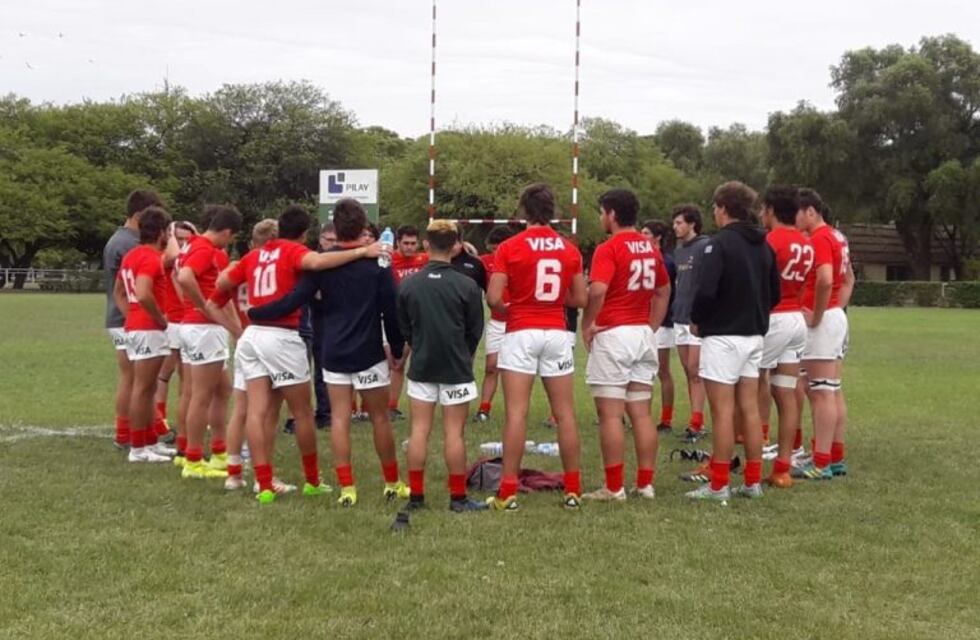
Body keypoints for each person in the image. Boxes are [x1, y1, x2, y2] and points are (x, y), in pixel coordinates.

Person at [215, 205, 384, 504]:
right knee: (302, 412)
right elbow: (318, 262)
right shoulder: (293, 251)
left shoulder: (254, 255)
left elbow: (221, 284)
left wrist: (239, 320)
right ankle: (312, 480)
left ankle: (263, 484)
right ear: (305, 234)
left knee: (256, 411)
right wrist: (362, 251)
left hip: (252, 335)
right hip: (281, 335)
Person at [248, 199, 408, 507]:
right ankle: (392, 482)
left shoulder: (322, 264)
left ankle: (347, 488)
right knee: (379, 418)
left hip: (333, 350)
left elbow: (295, 298)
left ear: (336, 228)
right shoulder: (379, 263)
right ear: (362, 228)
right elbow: (392, 309)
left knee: (339, 418)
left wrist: (257, 312)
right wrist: (398, 347)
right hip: (368, 350)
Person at [486, 183, 588, 511]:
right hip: (556, 331)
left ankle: (508, 492)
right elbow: (580, 298)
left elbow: (493, 297)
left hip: (521, 331)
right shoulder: (569, 249)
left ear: (523, 210)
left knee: (517, 412)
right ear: (552, 210)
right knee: (565, 413)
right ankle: (573, 489)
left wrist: (511, 307)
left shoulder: (510, 246)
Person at [685, 182, 780, 501]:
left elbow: (706, 291)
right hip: (754, 335)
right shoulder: (764, 245)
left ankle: (719, 484)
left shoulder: (719, 244)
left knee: (722, 412)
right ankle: (752, 482)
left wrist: (697, 319)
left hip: (723, 337)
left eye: (715, 207)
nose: (714, 212)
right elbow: (775, 293)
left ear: (724, 208)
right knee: (749, 409)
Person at [581, 189, 671, 501]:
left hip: (614, 334)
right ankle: (645, 484)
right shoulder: (650, 247)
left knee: (610, 414)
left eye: (601, 212)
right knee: (642, 413)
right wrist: (651, 326)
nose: (600, 217)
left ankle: (614, 486)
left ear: (612, 214)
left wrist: (588, 324)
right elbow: (664, 290)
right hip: (642, 334)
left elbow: (597, 290)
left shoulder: (609, 247)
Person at [398, 220, 488, 512]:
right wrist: (464, 354)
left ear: (426, 244)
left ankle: (416, 496)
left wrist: (418, 345)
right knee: (454, 433)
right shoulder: (467, 285)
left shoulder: (408, 284)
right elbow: (475, 329)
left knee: (419, 430)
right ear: (455, 246)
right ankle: (458, 498)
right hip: (456, 366)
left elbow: (404, 327)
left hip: (422, 365)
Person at [175, 205, 243, 480]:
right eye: (232, 237)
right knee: (201, 395)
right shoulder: (205, 249)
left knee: (221, 389)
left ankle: (217, 450)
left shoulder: (192, 246)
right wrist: (204, 305)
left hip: (194, 327)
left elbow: (180, 276)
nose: (230, 242)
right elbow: (185, 277)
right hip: (203, 328)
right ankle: (193, 459)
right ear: (226, 232)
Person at [794, 191, 854, 480]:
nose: (793, 219)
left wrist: (819, 315)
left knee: (820, 392)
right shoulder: (838, 236)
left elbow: (826, 279)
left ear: (810, 211)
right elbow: (849, 278)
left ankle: (821, 462)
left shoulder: (819, 238)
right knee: (831, 389)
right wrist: (836, 309)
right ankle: (833, 455)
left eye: (796, 212)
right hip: (834, 317)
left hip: (822, 320)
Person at [757, 186, 813, 489]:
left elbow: (760, 284)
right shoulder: (806, 242)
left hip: (774, 317)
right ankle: (782, 467)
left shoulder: (771, 240)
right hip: (796, 318)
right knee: (786, 392)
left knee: (748, 384)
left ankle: (750, 459)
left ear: (770, 209)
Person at [112, 206, 175, 463]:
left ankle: (149, 441)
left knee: (147, 388)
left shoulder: (132, 255)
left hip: (139, 326)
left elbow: (118, 291)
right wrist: (159, 319)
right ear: (161, 232)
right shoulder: (150, 257)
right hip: (148, 328)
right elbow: (143, 292)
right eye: (168, 231)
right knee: (143, 387)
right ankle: (138, 448)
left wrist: (131, 315)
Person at [103, 189, 164, 449]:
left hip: (121, 316)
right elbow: (137, 288)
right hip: (127, 317)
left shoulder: (119, 239)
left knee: (133, 379)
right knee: (137, 380)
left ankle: (131, 432)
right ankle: (135, 434)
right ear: (139, 216)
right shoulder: (131, 244)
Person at [671, 205, 712, 442]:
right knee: (688, 371)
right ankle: (696, 419)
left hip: (696, 318)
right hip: (680, 316)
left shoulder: (705, 246)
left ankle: (697, 423)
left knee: (696, 370)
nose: (675, 227)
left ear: (692, 224)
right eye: (674, 223)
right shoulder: (679, 250)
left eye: (679, 223)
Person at [388, 225, 429, 420]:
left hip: (419, 317)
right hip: (395, 316)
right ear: (398, 242)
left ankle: (401, 406)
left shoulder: (425, 260)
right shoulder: (388, 260)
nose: (410, 247)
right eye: (406, 243)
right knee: (395, 362)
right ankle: (387, 406)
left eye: (413, 243)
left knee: (419, 362)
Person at [474, 226, 514, 423]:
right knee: (491, 366)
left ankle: (515, 410)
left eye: (500, 248)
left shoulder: (519, 260)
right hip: (497, 321)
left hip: (519, 322)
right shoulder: (485, 262)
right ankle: (484, 408)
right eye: (493, 248)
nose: (497, 252)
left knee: (515, 369)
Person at [641, 220, 677, 433]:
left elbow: (665, 292)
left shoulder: (666, 261)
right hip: (642, 321)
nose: (642, 236)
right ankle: (639, 414)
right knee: (641, 371)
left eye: (646, 233)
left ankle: (666, 418)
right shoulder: (642, 258)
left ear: (658, 237)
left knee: (662, 370)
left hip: (662, 321)